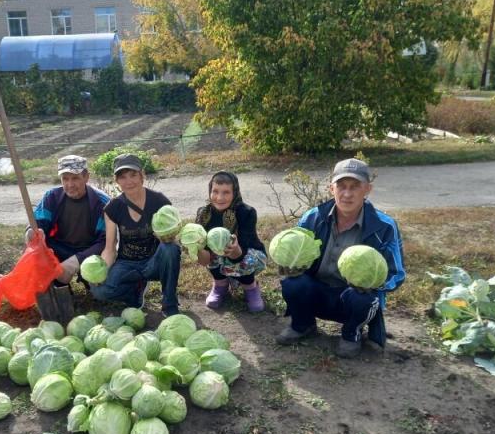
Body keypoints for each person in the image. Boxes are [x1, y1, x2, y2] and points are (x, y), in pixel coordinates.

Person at [276, 158, 405, 358]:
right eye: (341, 186)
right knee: (293, 283)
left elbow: (397, 273)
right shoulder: (313, 217)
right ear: (331, 188)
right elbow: (297, 250)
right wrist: (291, 264)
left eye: (355, 187)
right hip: (316, 290)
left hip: (351, 297)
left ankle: (351, 333)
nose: (347, 194)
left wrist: (373, 284)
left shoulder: (384, 226)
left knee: (363, 299)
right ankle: (303, 324)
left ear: (367, 189)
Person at [91, 153, 181, 316]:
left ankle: (169, 302)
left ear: (142, 175)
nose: (129, 181)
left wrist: (168, 237)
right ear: (116, 180)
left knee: (171, 249)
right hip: (127, 264)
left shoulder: (159, 201)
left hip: (154, 262)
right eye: (123, 177)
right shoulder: (113, 208)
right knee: (100, 291)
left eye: (133, 175)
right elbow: (110, 248)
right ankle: (134, 292)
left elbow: (173, 234)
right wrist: (101, 272)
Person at [26, 154, 110, 285]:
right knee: (34, 245)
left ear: (86, 177)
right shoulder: (52, 197)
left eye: (75, 178)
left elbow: (105, 241)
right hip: (59, 249)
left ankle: (84, 277)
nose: (70, 184)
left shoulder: (102, 203)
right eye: (65, 179)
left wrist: (74, 262)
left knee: (100, 289)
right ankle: (58, 283)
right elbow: (39, 223)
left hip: (90, 252)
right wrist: (34, 231)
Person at [194, 171, 267, 312]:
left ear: (235, 192)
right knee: (213, 254)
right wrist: (196, 247)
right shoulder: (204, 214)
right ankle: (220, 285)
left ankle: (250, 287)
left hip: (248, 253)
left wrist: (235, 251)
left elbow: (244, 248)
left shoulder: (246, 212)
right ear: (210, 190)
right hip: (219, 257)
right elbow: (205, 258)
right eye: (215, 191)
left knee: (244, 260)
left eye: (226, 192)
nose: (219, 198)